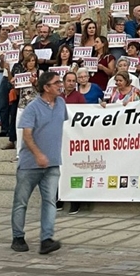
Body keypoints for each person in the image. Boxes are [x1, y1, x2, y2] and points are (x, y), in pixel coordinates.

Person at [10, 72, 66, 255]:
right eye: (56, 82)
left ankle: (46, 239)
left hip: (52, 163)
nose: (61, 85)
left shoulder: (61, 104)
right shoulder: (32, 108)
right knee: (21, 201)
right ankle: (18, 237)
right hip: (29, 164)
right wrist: (38, 154)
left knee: (50, 201)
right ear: (46, 87)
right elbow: (27, 134)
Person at [57, 72, 84, 215]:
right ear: (64, 82)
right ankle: (58, 200)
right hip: (59, 137)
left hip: (74, 138)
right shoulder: (58, 97)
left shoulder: (79, 97)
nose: (72, 83)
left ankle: (75, 203)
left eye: (74, 81)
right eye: (69, 80)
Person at [11, 53, 42, 154]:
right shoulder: (21, 75)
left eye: (33, 61)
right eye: (29, 61)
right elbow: (17, 93)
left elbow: (42, 90)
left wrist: (35, 82)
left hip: (35, 106)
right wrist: (14, 85)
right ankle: (19, 153)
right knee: (19, 130)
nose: (31, 63)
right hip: (22, 105)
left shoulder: (40, 73)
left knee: (36, 131)